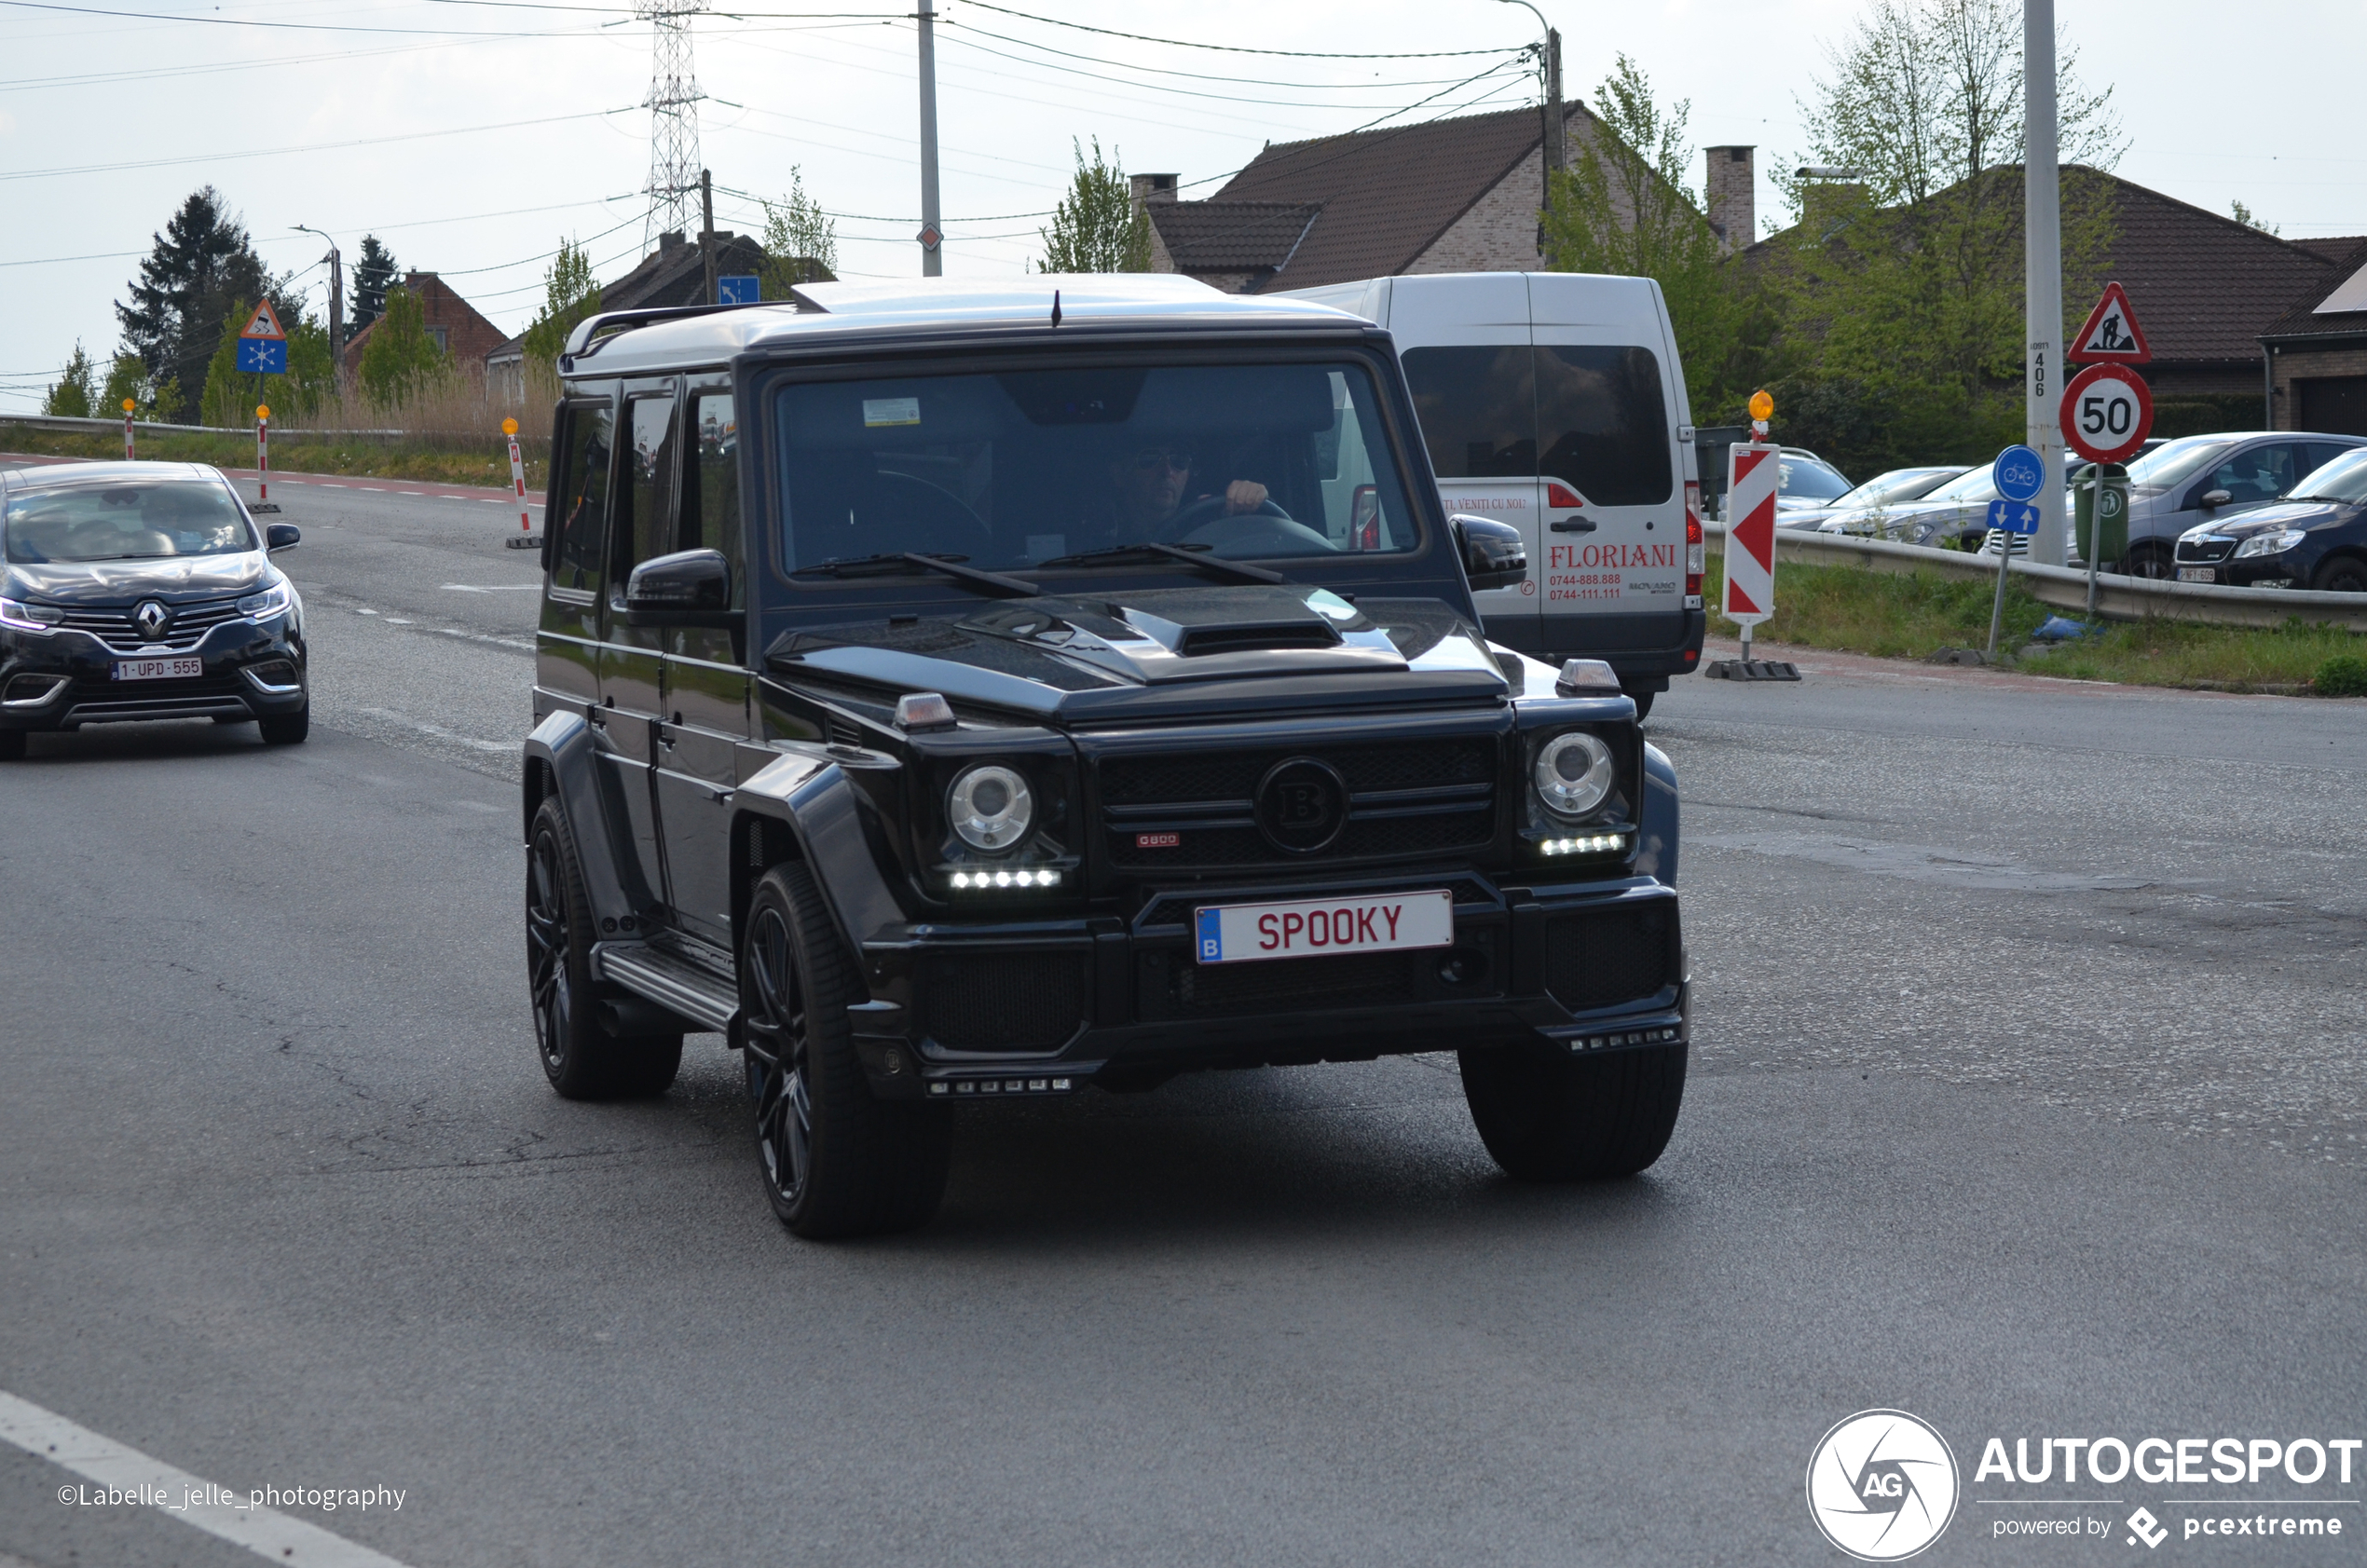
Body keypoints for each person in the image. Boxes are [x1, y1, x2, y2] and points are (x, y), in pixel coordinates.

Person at [1104, 439, 1267, 545]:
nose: (1167, 472)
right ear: (1119, 474)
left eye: (1179, 461)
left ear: (1188, 474)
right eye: (1150, 459)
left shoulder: (1210, 525)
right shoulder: (1094, 539)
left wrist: (1251, 500)